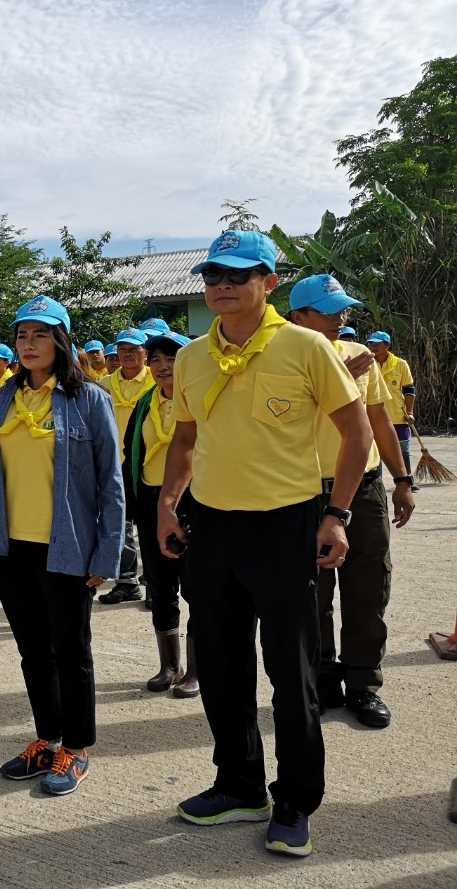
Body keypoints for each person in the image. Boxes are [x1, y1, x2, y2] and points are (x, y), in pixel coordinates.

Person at [157, 231, 372, 857]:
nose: (222, 285)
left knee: (291, 672)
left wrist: (337, 516)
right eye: (213, 275)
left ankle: (295, 800)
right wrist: (168, 504)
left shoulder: (305, 347)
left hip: (285, 525)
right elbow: (185, 438)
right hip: (212, 527)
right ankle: (239, 784)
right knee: (221, 666)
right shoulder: (193, 356)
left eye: (239, 274)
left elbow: (356, 434)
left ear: (269, 282)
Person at [0, 295, 124, 796]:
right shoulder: (3, 398)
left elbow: (110, 483)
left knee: (71, 651)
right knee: (34, 651)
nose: (29, 344)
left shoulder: (90, 399)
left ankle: (76, 748)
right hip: (9, 548)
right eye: (22, 335)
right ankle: (48, 739)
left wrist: (108, 553)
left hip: (68, 548)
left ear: (60, 340)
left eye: (40, 334)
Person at [288, 275, 415, 728]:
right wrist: (340, 376)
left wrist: (403, 480)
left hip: (363, 488)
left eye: (343, 310)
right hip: (305, 490)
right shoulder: (283, 358)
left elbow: (379, 422)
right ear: (298, 317)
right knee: (311, 592)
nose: (340, 318)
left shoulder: (359, 355)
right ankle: (322, 679)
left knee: (367, 586)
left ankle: (363, 684)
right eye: (328, 311)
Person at [120, 333, 198, 696]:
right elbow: (130, 452)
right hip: (152, 502)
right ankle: (169, 666)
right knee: (160, 584)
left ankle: (196, 670)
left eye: (171, 358)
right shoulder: (144, 403)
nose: (163, 366)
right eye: (155, 360)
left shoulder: (200, 399)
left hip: (194, 503)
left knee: (197, 586)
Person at [98, 327, 154, 605]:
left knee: (152, 527)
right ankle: (127, 582)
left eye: (134, 349)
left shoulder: (156, 380)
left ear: (145, 353)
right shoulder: (104, 384)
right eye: (122, 349)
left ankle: (156, 583)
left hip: (150, 462)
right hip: (114, 465)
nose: (128, 354)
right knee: (120, 526)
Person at [365, 331, 416, 475]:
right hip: (372, 416)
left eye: (377, 344)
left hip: (397, 415)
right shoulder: (366, 363)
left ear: (387, 345)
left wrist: (410, 412)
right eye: (371, 343)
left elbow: (409, 389)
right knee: (375, 452)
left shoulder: (400, 364)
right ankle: (378, 481)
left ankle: (407, 479)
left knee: (403, 450)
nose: (373, 346)